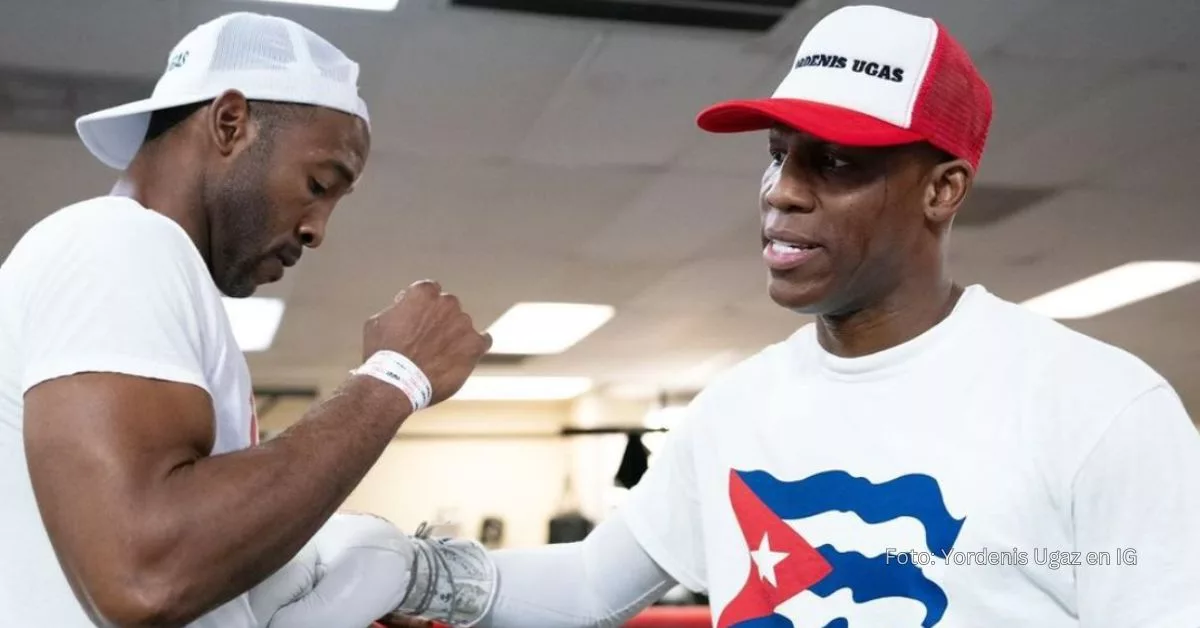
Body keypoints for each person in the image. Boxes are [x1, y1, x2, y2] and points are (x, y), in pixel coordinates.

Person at [301, 5, 1200, 628]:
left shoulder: (1097, 406)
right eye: (778, 155)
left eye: (837, 163)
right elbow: (590, 584)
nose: (781, 193)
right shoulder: (738, 407)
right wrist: (420, 572)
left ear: (943, 189)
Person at [0, 12, 491, 627]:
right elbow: (143, 576)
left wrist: (325, 579)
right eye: (318, 183)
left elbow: (185, 567)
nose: (317, 229)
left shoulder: (157, 270)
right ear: (230, 123)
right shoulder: (117, 243)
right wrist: (394, 378)